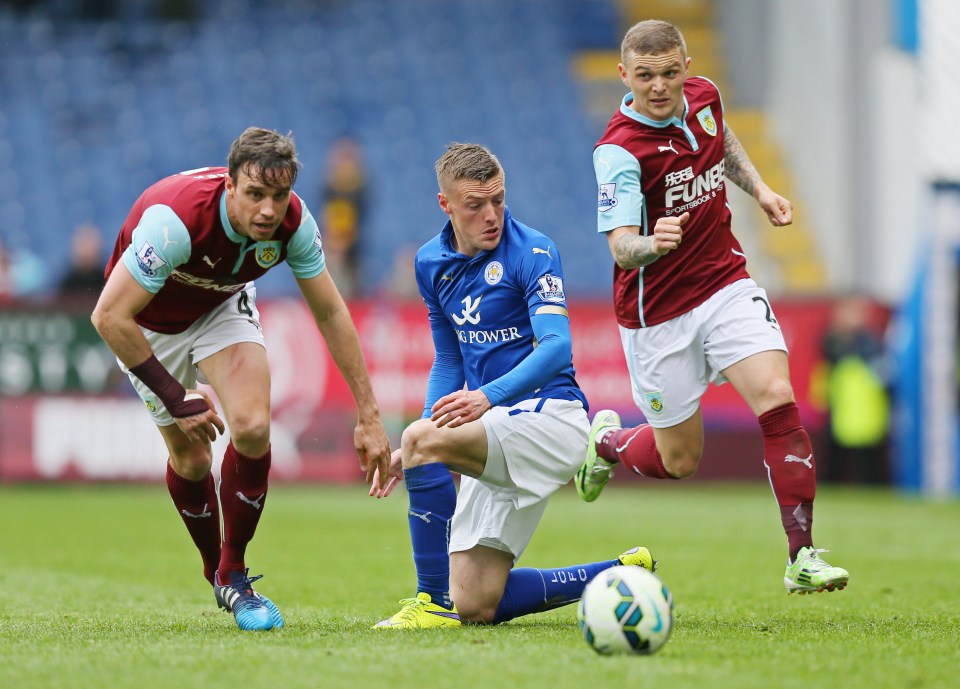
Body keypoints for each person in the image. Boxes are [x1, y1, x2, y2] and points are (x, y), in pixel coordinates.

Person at [577, 20, 849, 595]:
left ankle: (801, 556)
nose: (659, 86)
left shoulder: (705, 95)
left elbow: (720, 141)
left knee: (777, 394)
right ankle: (605, 443)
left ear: (686, 67)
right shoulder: (619, 152)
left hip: (725, 282)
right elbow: (621, 246)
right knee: (680, 460)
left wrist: (763, 189)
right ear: (625, 76)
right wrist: (653, 242)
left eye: (670, 73)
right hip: (658, 315)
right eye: (646, 76)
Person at [91, 127, 391, 631]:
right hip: (146, 321)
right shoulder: (175, 222)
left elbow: (332, 313)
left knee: (252, 427)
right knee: (190, 459)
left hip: (220, 306)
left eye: (278, 196)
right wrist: (174, 395)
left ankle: (234, 574)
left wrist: (369, 414)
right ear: (229, 187)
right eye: (255, 195)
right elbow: (108, 316)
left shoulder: (294, 224)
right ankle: (214, 570)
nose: (268, 210)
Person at [369, 143, 655, 629]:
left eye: (498, 200)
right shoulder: (430, 263)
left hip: (551, 418)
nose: (491, 215)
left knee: (420, 440)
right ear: (446, 206)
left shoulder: (533, 251)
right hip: (494, 428)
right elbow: (450, 357)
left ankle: (427, 603)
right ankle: (624, 573)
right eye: (475, 205)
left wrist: (470, 408)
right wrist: (431, 429)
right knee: (477, 603)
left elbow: (556, 348)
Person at [818, 295, 891, 485]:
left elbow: (882, 374)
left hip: (867, 412)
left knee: (869, 462)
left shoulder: (870, 342)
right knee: (834, 459)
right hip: (840, 408)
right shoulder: (831, 340)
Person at [318, 136, 368, 299]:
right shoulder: (329, 188)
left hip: (351, 246)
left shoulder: (359, 189)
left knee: (349, 285)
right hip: (334, 244)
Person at [58, 222, 106, 301]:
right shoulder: (68, 283)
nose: (86, 250)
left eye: (89, 243)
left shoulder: (107, 280)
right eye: (83, 244)